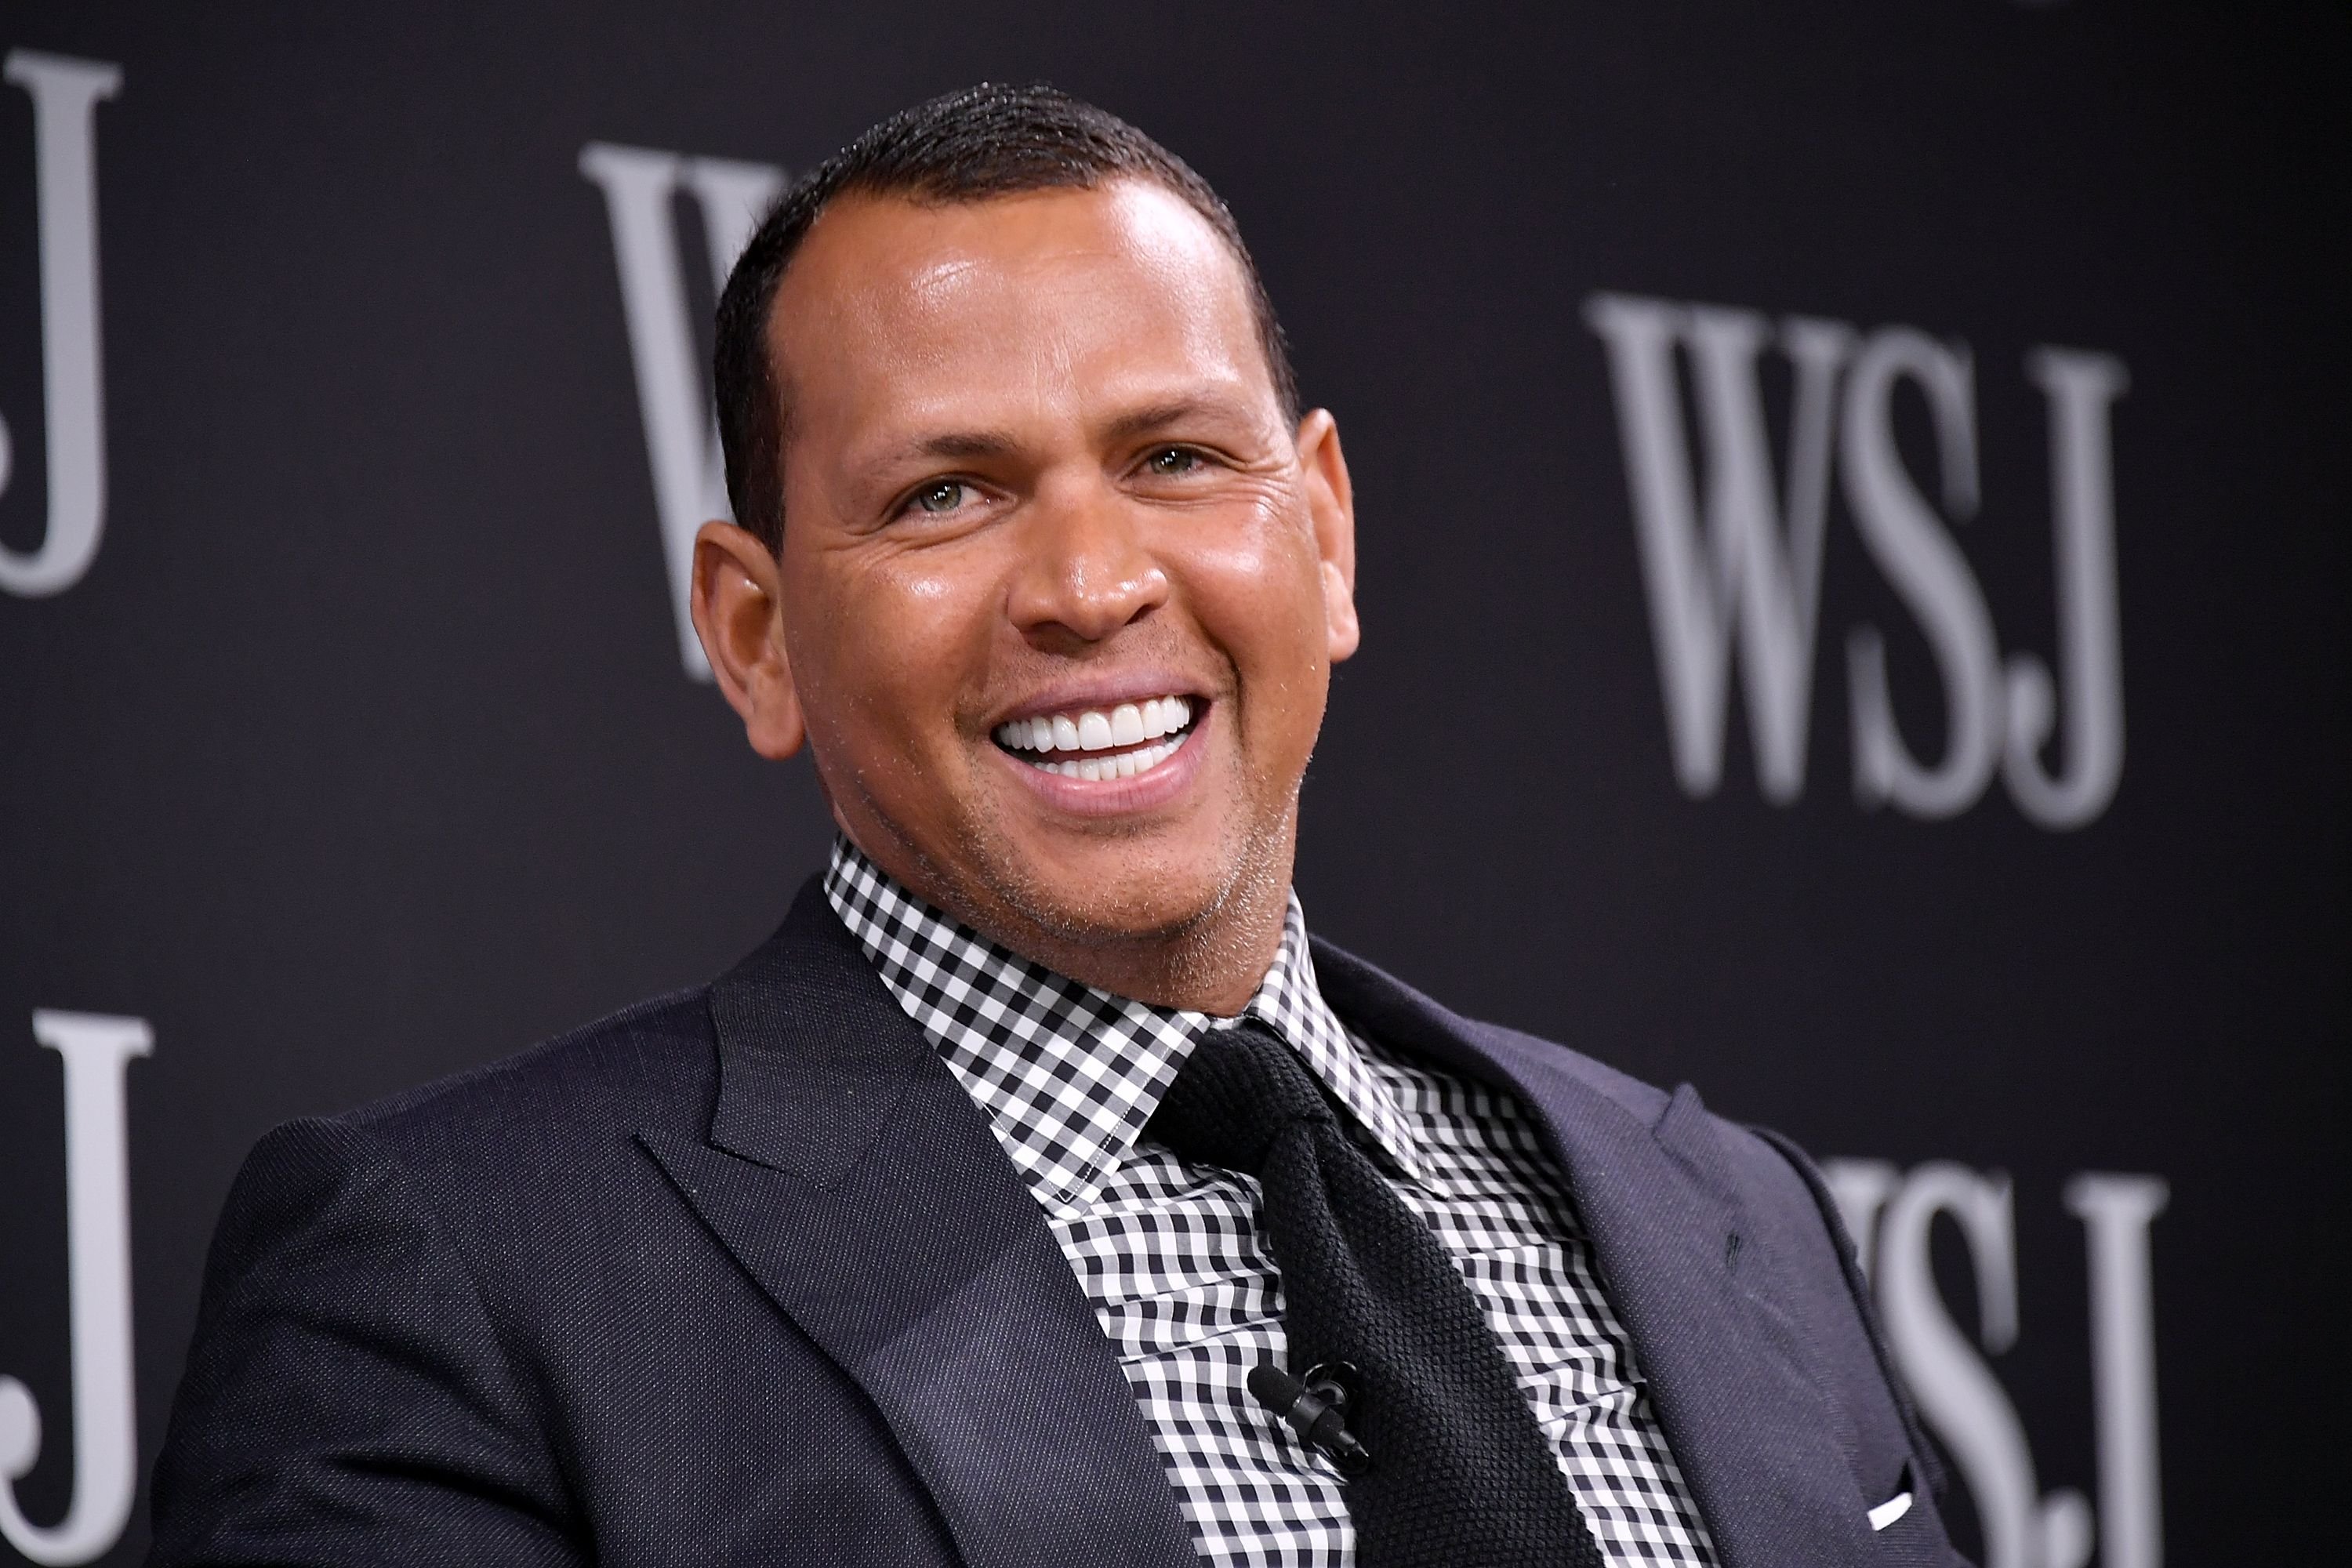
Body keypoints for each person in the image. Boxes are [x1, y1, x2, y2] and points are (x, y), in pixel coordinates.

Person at [149, 85, 1966, 1568]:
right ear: (757, 634)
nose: (1093, 584)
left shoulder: (1732, 1210)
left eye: (1177, 457)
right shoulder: (453, 1275)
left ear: (1322, 534)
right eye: (948, 494)